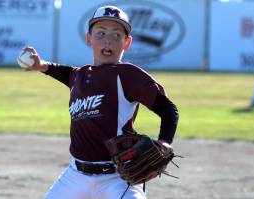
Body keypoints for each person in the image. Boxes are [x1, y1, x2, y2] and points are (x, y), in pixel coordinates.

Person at [20, 5, 179, 199]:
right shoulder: (79, 75)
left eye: (116, 35)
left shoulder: (127, 75)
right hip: (75, 176)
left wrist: (165, 142)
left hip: (118, 177)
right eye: (101, 33)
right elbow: (66, 73)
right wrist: (41, 65)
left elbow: (168, 109)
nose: (108, 41)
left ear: (127, 43)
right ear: (89, 38)